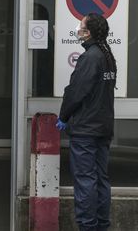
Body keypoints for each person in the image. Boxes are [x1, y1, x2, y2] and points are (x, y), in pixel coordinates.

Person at [57, 13, 117, 231]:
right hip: (103, 127)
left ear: (88, 32)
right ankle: (101, 226)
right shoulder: (106, 54)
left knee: (85, 181)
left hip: (86, 130)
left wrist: (64, 116)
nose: (78, 28)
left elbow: (76, 92)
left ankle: (88, 226)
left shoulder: (90, 57)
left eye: (81, 25)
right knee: (101, 179)